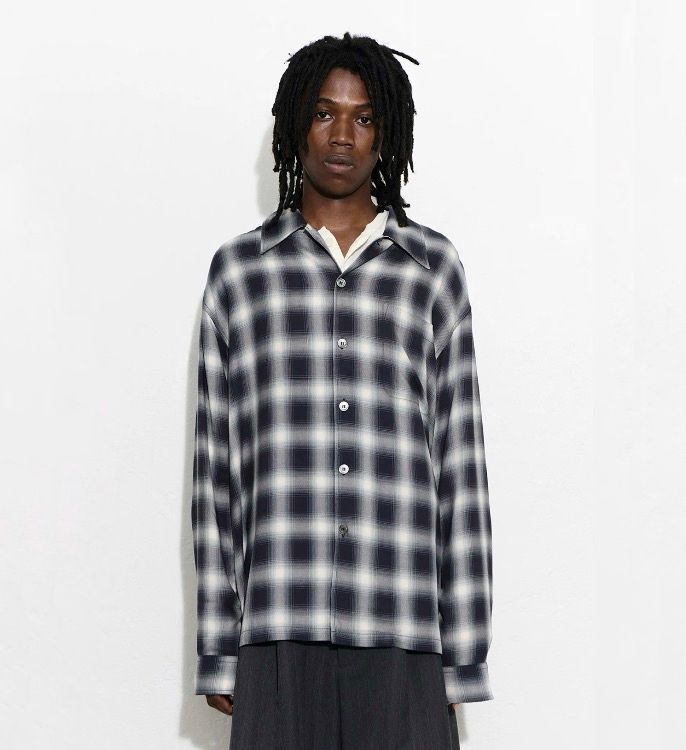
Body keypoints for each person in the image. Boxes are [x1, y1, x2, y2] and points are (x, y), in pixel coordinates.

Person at [191, 31, 493, 749]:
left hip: (404, 632)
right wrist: (218, 643)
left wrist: (464, 651)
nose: (342, 136)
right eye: (324, 113)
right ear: (297, 124)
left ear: (386, 135)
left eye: (364, 118)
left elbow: (461, 468)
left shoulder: (432, 270)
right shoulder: (240, 273)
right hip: (277, 632)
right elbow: (215, 476)